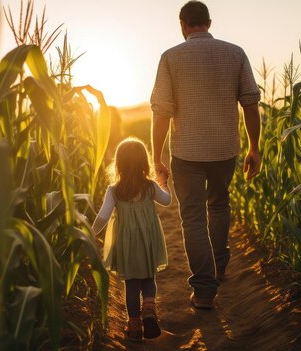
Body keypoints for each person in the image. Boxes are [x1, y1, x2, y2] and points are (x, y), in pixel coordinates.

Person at [150, 1, 262, 310]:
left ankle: (203, 290)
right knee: (220, 203)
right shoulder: (235, 53)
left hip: (186, 153)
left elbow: (161, 112)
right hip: (224, 150)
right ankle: (220, 265)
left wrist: (157, 157)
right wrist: (254, 147)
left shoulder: (170, 58)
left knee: (193, 217)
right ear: (208, 23)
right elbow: (250, 104)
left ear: (183, 25)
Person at [91, 137, 172, 340]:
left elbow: (103, 216)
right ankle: (149, 310)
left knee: (132, 284)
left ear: (119, 164)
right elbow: (167, 201)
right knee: (148, 278)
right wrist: (164, 184)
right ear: (145, 163)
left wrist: (91, 233)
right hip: (148, 241)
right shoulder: (150, 187)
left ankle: (134, 325)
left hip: (127, 245)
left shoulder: (114, 191)